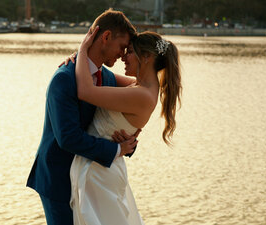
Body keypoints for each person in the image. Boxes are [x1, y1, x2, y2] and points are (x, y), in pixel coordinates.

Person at [26, 9, 138, 225]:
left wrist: (128, 143)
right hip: (59, 179)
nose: (122, 55)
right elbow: (67, 138)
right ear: (105, 37)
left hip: (91, 179)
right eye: (122, 47)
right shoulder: (64, 78)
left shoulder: (106, 77)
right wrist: (116, 150)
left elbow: (143, 91)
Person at [68, 27, 182, 225]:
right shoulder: (139, 86)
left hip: (100, 174)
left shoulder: (141, 96)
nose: (123, 57)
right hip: (102, 168)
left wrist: (83, 49)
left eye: (129, 52)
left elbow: (86, 91)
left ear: (146, 57)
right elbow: (100, 73)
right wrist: (79, 61)